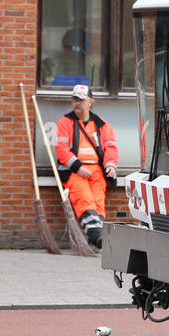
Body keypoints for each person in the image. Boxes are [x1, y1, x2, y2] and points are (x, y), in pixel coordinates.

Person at [55, 84, 118, 249]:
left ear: (90, 102)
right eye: (74, 100)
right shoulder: (65, 122)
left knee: (98, 202)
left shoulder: (102, 125)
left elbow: (111, 148)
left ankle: (96, 239)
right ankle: (98, 237)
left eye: (81, 100)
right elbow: (61, 149)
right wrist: (77, 166)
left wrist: (111, 166)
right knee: (84, 199)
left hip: (97, 169)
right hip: (74, 171)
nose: (77, 103)